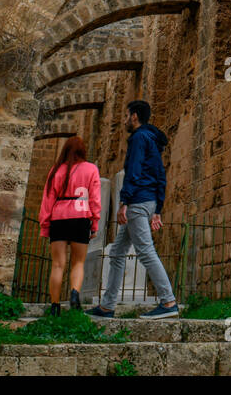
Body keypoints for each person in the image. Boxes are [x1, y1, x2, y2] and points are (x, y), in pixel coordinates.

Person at [89, 100, 179, 320]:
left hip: (137, 203)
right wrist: (157, 208)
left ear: (135, 117)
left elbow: (134, 171)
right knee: (118, 252)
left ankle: (168, 301)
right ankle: (107, 306)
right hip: (147, 202)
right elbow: (160, 176)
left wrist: (124, 202)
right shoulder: (152, 141)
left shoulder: (139, 138)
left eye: (126, 115)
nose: (125, 120)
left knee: (145, 251)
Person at [38, 135, 101, 316]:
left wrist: (45, 225)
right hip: (81, 217)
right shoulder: (91, 169)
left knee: (58, 264)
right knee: (78, 262)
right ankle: (74, 293)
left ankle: (55, 306)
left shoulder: (56, 170)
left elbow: (47, 200)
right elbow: (95, 198)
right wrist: (94, 222)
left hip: (59, 218)